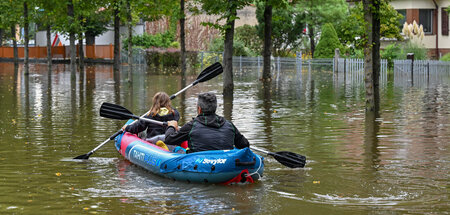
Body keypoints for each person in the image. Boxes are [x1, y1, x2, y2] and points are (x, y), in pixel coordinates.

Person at [164, 92, 249, 153]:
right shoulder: (229, 125)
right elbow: (245, 144)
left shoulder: (192, 125)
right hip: (226, 166)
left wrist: (171, 126)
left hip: (199, 166)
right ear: (215, 108)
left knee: (177, 150)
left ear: (199, 109)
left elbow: (168, 140)